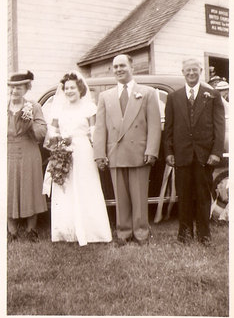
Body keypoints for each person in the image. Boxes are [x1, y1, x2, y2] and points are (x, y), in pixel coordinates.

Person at [93, 54, 161, 246]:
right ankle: (123, 233)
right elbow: (100, 129)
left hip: (139, 153)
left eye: (122, 65)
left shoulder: (147, 92)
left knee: (139, 196)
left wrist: (151, 151)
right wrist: (99, 154)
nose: (119, 70)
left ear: (132, 67)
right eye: (115, 67)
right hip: (115, 153)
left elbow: (154, 125)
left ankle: (141, 233)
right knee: (120, 197)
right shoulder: (105, 96)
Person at [43, 71, 112, 245]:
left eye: (72, 87)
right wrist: (58, 142)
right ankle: (67, 231)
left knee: (86, 186)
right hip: (64, 150)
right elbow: (52, 131)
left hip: (83, 151)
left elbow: (94, 131)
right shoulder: (59, 109)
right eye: (66, 88)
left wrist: (98, 153)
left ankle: (92, 232)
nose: (69, 91)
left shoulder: (88, 107)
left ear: (80, 88)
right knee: (65, 188)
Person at [164, 58, 225, 246]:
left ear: (200, 71)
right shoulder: (174, 97)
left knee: (203, 195)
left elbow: (219, 126)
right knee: (184, 195)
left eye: (195, 70)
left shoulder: (212, 95)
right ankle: (184, 233)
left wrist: (216, 152)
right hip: (182, 155)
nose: (191, 73)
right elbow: (169, 129)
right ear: (182, 72)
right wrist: (169, 152)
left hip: (204, 156)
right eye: (188, 70)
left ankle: (204, 234)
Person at [7, 70, 48, 242]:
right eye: (12, 87)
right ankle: (11, 231)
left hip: (29, 151)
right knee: (8, 188)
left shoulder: (33, 107)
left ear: (26, 88)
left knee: (30, 188)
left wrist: (30, 123)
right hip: (8, 152)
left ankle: (32, 230)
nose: (14, 91)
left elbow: (42, 132)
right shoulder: (3, 105)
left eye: (18, 87)